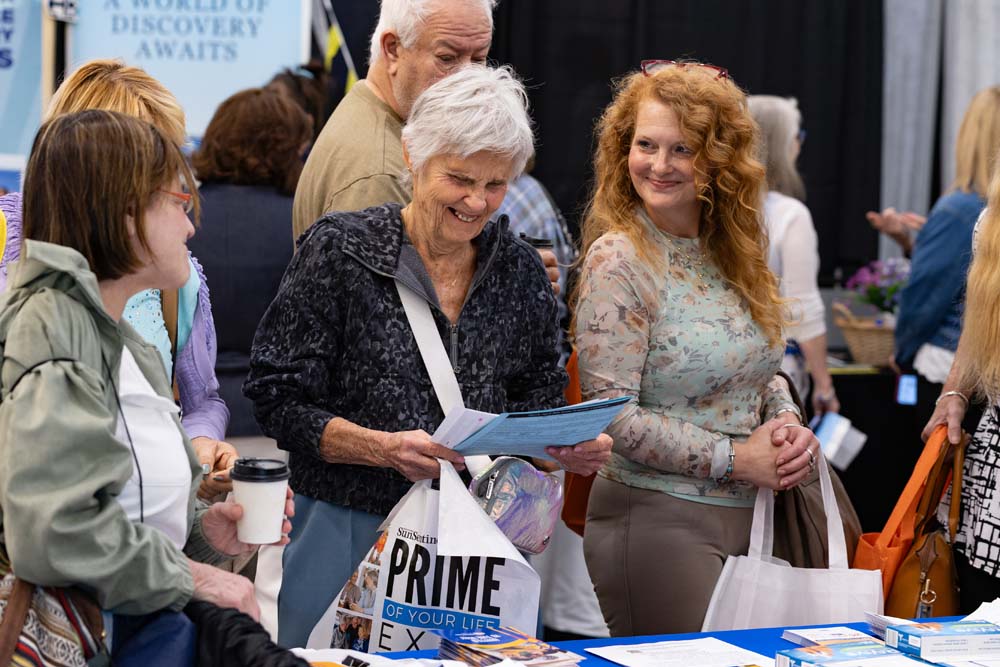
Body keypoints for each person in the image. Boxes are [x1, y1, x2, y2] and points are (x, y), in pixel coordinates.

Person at [245, 64, 613, 648]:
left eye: (496, 184)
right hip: (347, 533)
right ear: (413, 156)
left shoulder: (519, 269)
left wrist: (562, 446)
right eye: (459, 178)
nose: (477, 201)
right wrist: (379, 448)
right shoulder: (341, 251)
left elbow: (536, 396)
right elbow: (276, 395)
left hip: (477, 550)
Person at [0, 109, 294, 663]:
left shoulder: (124, 341)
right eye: (179, 202)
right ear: (126, 213)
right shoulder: (51, 329)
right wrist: (192, 577)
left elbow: (133, 516)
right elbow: (53, 531)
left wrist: (206, 534)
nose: (190, 226)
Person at [573, 60, 819, 635]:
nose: (659, 165)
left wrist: (786, 420)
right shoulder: (619, 259)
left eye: (682, 149)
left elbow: (760, 370)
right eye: (646, 145)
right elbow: (611, 414)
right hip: (657, 520)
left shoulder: (734, 248)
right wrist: (737, 459)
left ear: (719, 158)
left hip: (753, 518)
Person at [0, 59, 237, 500]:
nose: (169, 185)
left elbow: (200, 400)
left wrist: (198, 446)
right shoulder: (9, 246)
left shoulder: (175, 277)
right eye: (149, 167)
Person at [188, 88, 313, 437]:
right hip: (277, 418)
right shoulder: (301, 223)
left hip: (191, 419)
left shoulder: (181, 217)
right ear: (288, 149)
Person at [893, 87, 1000, 414]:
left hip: (946, 369)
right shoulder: (976, 211)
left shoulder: (959, 209)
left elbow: (925, 297)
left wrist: (902, 352)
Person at [748, 95, 839, 414]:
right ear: (780, 144)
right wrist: (825, 386)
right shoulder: (790, 215)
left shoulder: (707, 209)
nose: (800, 144)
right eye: (797, 136)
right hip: (775, 376)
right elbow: (804, 310)